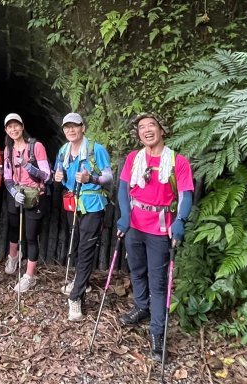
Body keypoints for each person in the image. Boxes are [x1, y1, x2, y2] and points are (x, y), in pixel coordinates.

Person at [116, 112, 194, 360]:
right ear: (138, 134)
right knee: (136, 270)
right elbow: (122, 189)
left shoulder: (177, 162)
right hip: (136, 226)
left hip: (160, 229)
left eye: (151, 125)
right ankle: (141, 307)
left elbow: (186, 195)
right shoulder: (133, 158)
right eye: (141, 127)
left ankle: (158, 333)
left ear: (162, 130)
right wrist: (125, 215)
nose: (146, 130)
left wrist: (180, 220)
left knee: (158, 283)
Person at [53, 112, 113, 322]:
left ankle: (75, 296)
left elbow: (108, 176)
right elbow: (58, 172)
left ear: (83, 128)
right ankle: (83, 281)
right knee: (77, 244)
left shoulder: (96, 149)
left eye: (75, 126)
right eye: (67, 127)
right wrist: (57, 176)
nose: (71, 130)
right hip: (72, 205)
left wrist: (92, 178)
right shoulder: (63, 150)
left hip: (93, 205)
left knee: (86, 248)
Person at [1, 113, 50, 293]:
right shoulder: (8, 149)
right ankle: (13, 257)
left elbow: (47, 175)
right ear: (6, 130)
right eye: (9, 127)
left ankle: (29, 275)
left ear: (22, 126)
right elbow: (7, 176)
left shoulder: (36, 146)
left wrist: (27, 165)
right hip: (17, 192)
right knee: (14, 226)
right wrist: (13, 192)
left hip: (34, 194)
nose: (13, 129)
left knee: (30, 235)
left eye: (16, 125)